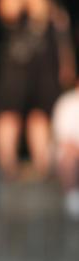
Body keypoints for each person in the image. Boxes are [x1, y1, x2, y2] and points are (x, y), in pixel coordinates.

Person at [0, 0, 75, 179]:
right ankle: (7, 166)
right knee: (9, 114)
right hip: (15, 68)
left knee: (40, 115)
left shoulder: (53, 2)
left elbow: (62, 36)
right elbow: (8, 12)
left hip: (45, 68)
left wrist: (67, 64)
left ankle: (43, 165)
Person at [52, 84, 79, 218]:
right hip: (68, 153)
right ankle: (72, 201)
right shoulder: (66, 103)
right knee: (68, 159)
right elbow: (61, 138)